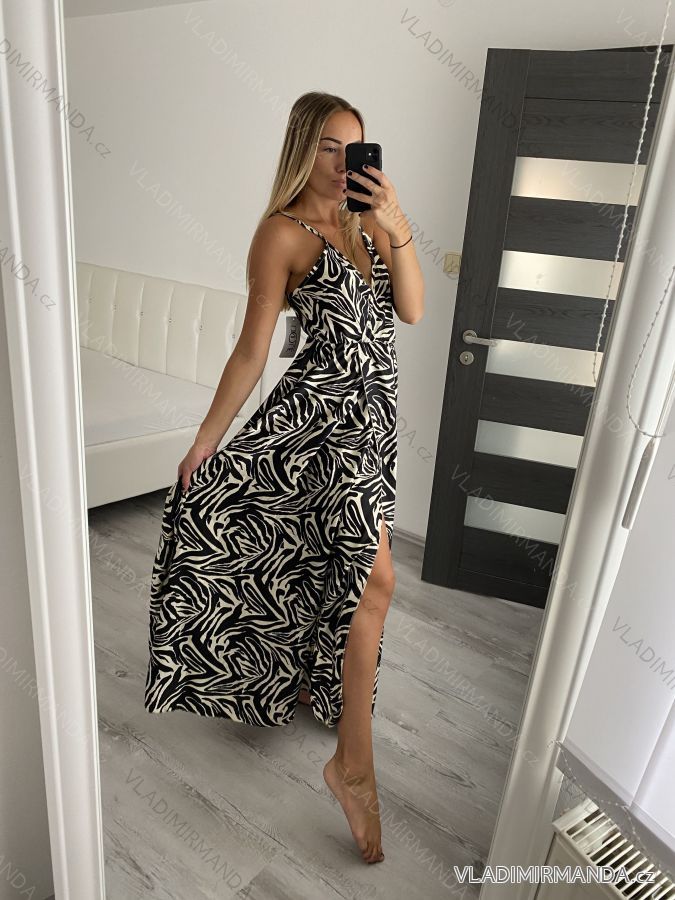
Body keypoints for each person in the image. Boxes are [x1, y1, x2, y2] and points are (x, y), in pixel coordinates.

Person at [144, 91, 424, 865]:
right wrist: (206, 441)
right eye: (329, 147)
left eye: (354, 148)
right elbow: (252, 350)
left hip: (370, 428)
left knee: (340, 573)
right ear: (303, 148)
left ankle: (318, 699)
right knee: (375, 581)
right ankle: (353, 768)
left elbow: (410, 310)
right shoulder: (282, 233)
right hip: (318, 428)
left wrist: (395, 222)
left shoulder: (370, 222)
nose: (342, 163)